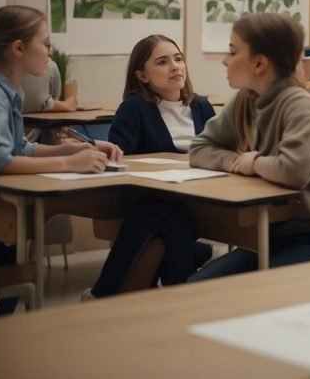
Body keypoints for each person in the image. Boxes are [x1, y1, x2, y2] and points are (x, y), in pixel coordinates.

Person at [0, 5, 122, 313]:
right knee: (20, 263)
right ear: (18, 48)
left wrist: (73, 150)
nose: (50, 52)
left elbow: (21, 148)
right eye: (46, 43)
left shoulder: (8, 92)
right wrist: (67, 165)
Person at [189, 13, 310, 280]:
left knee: (239, 290)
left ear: (260, 63)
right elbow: (199, 149)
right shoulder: (245, 99)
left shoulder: (300, 105)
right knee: (196, 285)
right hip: (269, 232)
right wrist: (233, 162)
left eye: (233, 51)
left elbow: (293, 172)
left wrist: (254, 162)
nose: (225, 60)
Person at [84, 35, 217, 299]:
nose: (175, 67)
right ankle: (178, 300)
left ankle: (103, 295)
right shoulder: (134, 108)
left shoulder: (201, 106)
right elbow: (120, 155)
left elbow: (219, 148)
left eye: (178, 59)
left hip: (203, 199)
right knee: (170, 215)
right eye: (162, 62)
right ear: (143, 76)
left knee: (175, 220)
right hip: (152, 201)